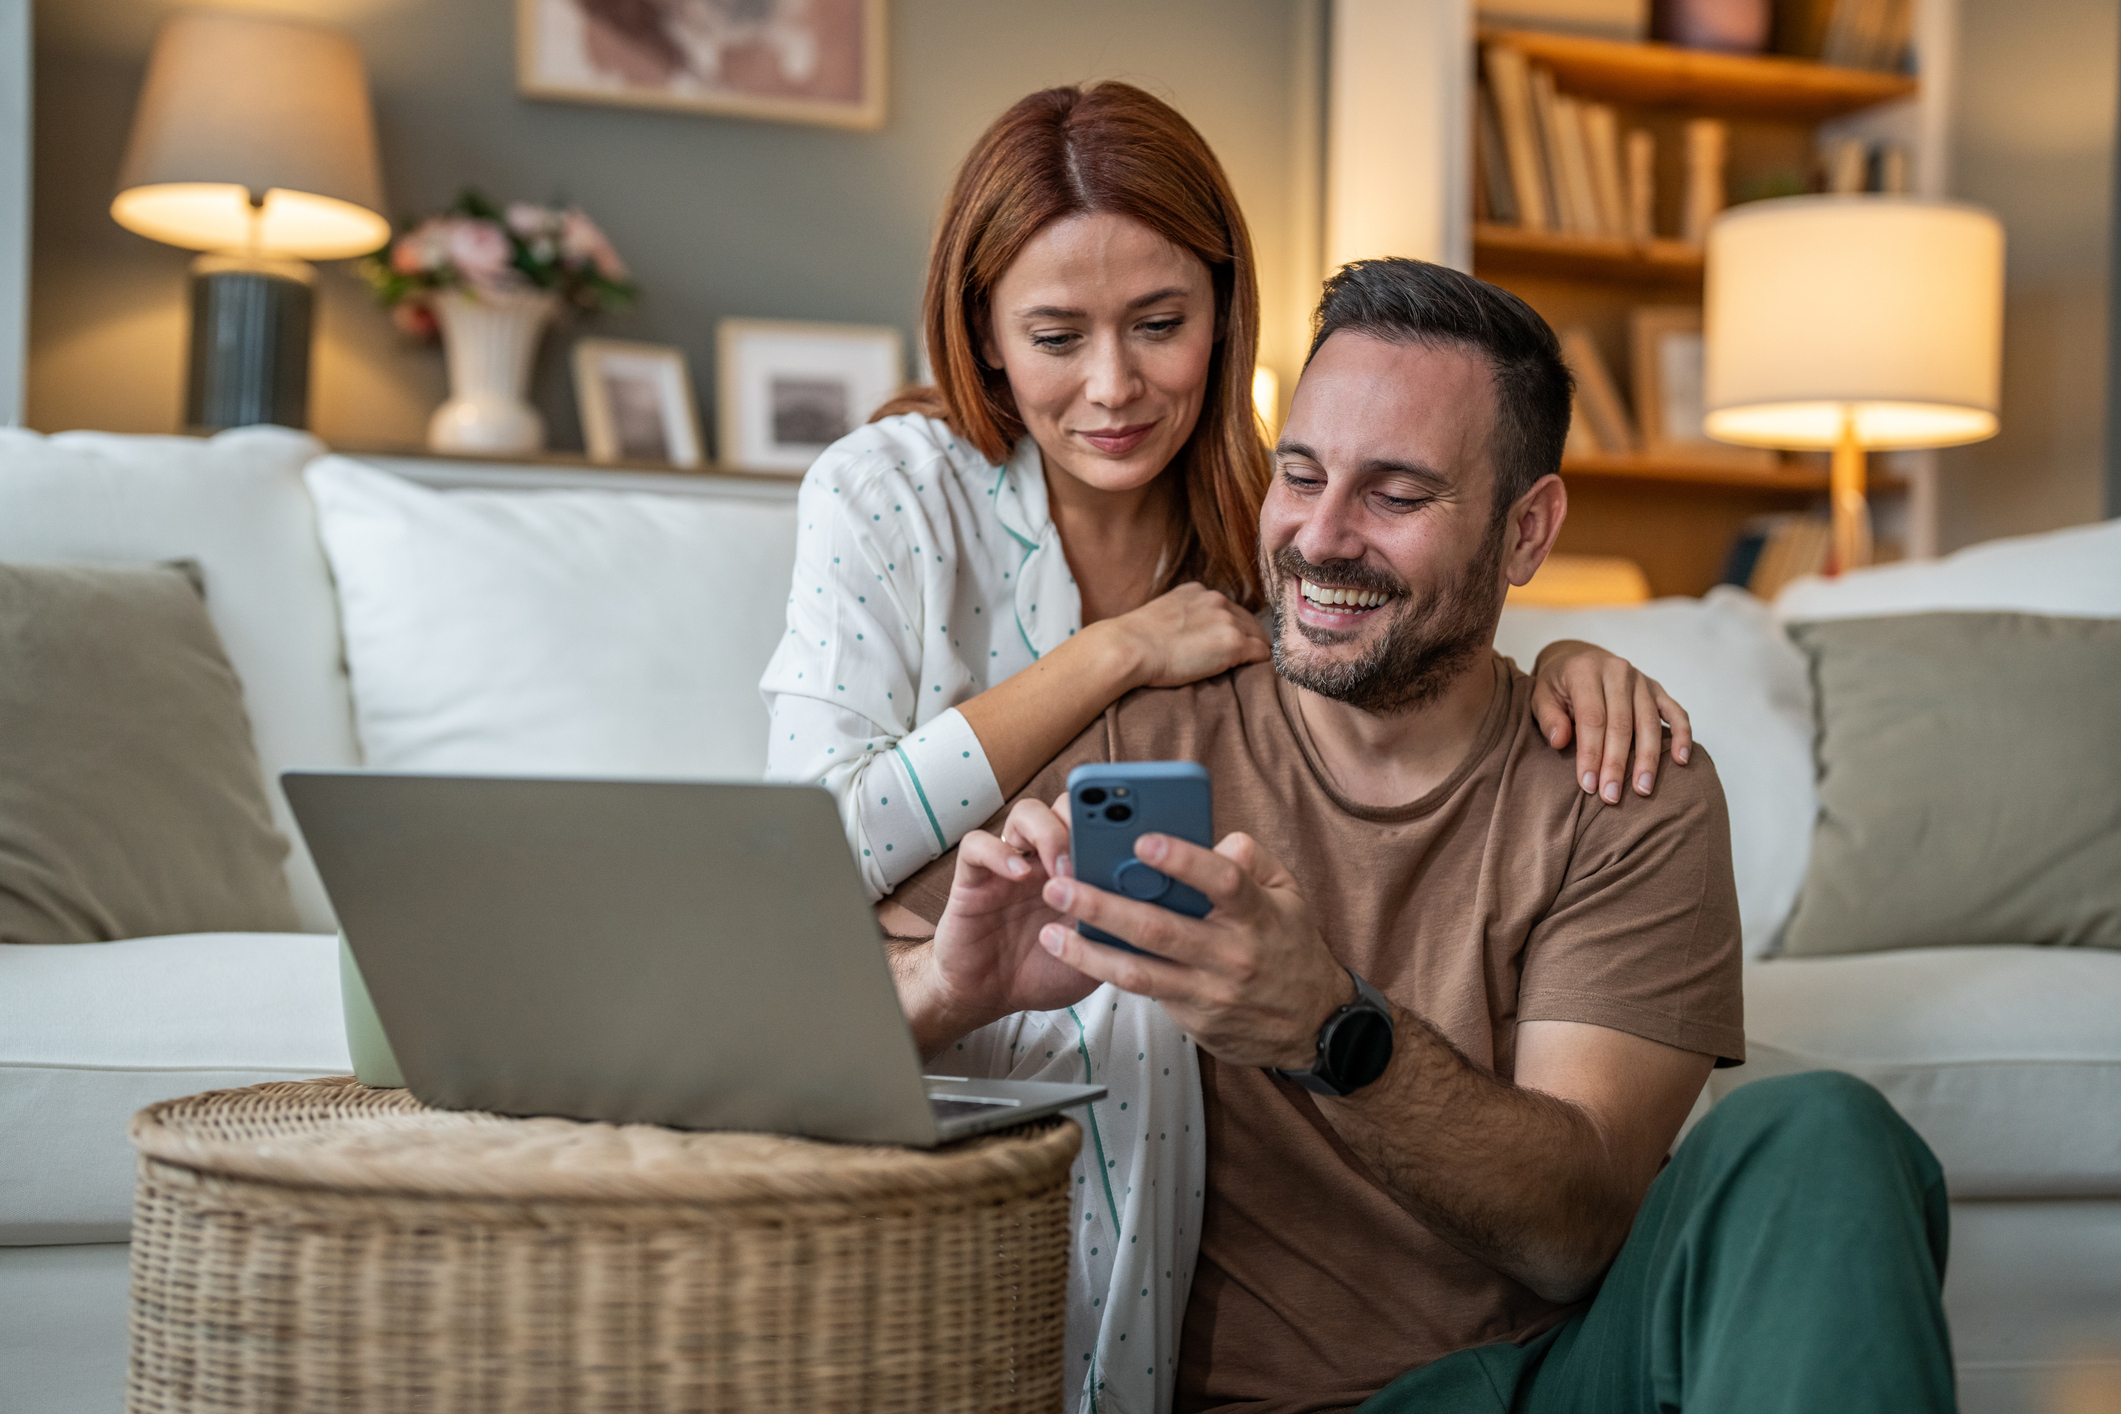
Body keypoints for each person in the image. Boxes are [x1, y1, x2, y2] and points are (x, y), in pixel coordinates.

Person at [764, 85, 1700, 1414]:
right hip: (953, 1064)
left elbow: (1410, 626)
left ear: (1224, 309)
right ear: (981, 329)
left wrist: (1565, 663)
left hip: (1164, 1107)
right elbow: (805, 857)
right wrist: (1114, 652)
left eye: (1161, 324)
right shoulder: (899, 492)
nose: (1114, 386)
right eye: (1054, 334)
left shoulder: (1265, 511)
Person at [882, 258, 1955, 1414]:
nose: (1321, 538)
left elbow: (1577, 1233)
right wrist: (950, 988)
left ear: (1526, 531)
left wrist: (1328, 1028)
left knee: (1824, 1137)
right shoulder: (1137, 736)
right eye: (1300, 475)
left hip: (1550, 1385)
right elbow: (794, 1020)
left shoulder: (1621, 780)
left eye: (1395, 495)